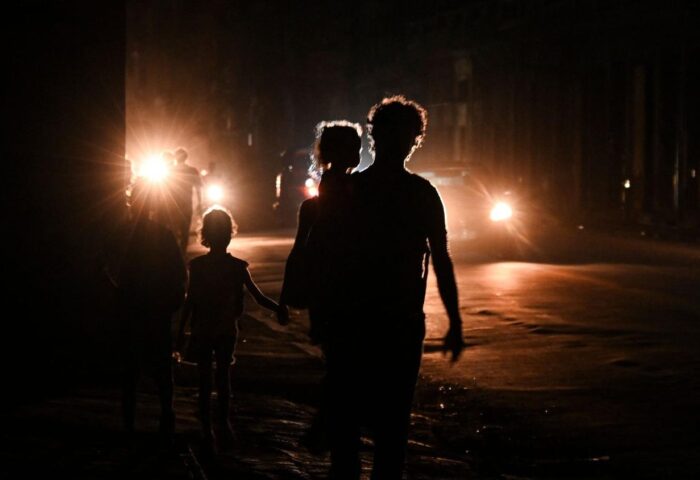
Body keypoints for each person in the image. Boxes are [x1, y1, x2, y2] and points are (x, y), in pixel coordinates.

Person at [322, 96, 465, 479]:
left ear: (373, 138)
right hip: (398, 324)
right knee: (392, 428)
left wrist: (323, 317)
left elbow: (325, 257)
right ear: (414, 141)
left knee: (347, 427)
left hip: (351, 322)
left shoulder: (349, 191)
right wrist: (455, 321)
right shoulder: (422, 194)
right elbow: (442, 259)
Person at [175, 207, 289, 451]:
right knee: (223, 378)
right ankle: (223, 423)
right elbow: (258, 297)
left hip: (203, 329)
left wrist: (179, 334)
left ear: (205, 234)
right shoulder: (237, 266)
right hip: (226, 329)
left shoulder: (197, 266)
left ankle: (207, 427)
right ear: (229, 233)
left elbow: (191, 301)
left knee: (205, 380)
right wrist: (279, 308)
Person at [279, 120, 362, 453]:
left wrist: (287, 296)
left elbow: (299, 251)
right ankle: (328, 428)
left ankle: (329, 428)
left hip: (325, 297)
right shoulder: (359, 196)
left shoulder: (316, 202)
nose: (358, 153)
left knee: (339, 364)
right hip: (348, 294)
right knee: (346, 367)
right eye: (354, 147)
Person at [116, 178, 187, 444]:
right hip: (156, 312)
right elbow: (179, 275)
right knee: (161, 372)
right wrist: (171, 303)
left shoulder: (122, 236)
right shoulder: (164, 235)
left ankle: (129, 426)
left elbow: (112, 271)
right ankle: (167, 417)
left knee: (130, 373)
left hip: (132, 312)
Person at [169, 147, 202, 252]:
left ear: (175, 158)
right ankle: (182, 251)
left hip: (173, 204)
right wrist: (200, 202)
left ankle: (174, 252)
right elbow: (198, 187)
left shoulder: (170, 170)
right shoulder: (192, 171)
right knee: (185, 229)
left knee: (173, 229)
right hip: (187, 203)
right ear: (186, 157)